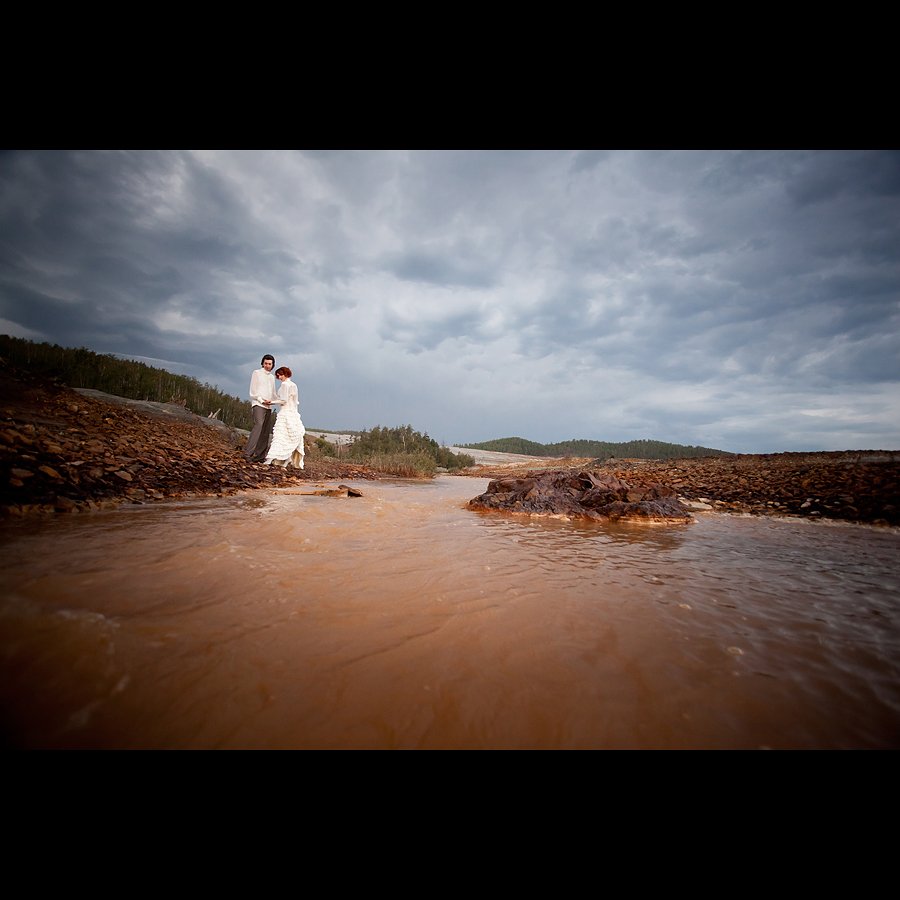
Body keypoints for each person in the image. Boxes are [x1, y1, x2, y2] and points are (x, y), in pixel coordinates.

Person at [264, 366, 306, 469]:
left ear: (285, 374)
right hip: (293, 413)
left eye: (280, 375)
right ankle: (285, 460)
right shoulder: (294, 385)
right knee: (288, 437)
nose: (279, 377)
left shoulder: (285, 385)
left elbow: (283, 401)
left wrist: (271, 402)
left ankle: (271, 459)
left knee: (280, 436)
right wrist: (295, 414)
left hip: (285, 413)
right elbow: (295, 402)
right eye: (278, 376)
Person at [244, 354, 277, 462]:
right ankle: (248, 453)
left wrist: (280, 401)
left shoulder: (272, 377)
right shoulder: (257, 373)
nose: (268, 365)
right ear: (262, 363)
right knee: (258, 426)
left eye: (270, 364)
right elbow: (253, 392)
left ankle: (260, 456)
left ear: (272, 365)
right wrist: (262, 400)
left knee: (265, 431)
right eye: (266, 363)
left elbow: (273, 393)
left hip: (268, 406)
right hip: (258, 404)